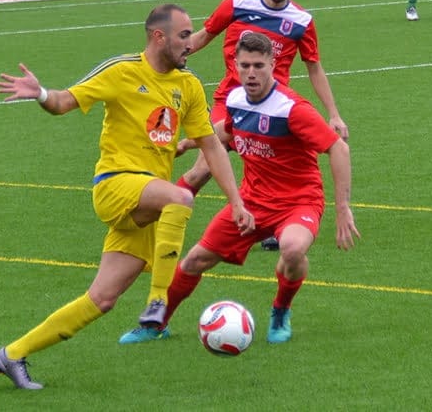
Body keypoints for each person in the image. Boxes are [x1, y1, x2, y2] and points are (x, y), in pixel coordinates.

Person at [0, 3, 255, 390]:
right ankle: (158, 301)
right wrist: (41, 92)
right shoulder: (123, 70)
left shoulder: (189, 85)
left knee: (102, 299)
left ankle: (12, 354)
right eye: (184, 36)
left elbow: (211, 147)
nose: (191, 43)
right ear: (157, 37)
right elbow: (64, 102)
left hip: (147, 202)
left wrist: (236, 201)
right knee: (180, 200)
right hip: (116, 185)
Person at [118, 31, 359, 345]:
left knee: (292, 248)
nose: (251, 73)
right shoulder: (235, 100)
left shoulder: (291, 109)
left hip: (299, 202)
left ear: (273, 64)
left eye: (259, 65)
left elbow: (338, 148)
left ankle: (280, 311)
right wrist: (188, 143)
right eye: (245, 65)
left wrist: (343, 209)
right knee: (193, 261)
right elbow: (225, 131)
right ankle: (156, 324)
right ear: (235, 65)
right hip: (251, 201)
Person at [162, 0, 349, 252]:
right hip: (232, 102)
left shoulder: (301, 21)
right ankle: (165, 218)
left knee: (278, 169)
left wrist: (334, 114)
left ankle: (279, 223)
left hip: (276, 109)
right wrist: (168, 59)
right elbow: (202, 37)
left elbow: (314, 67)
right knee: (202, 170)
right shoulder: (236, 4)